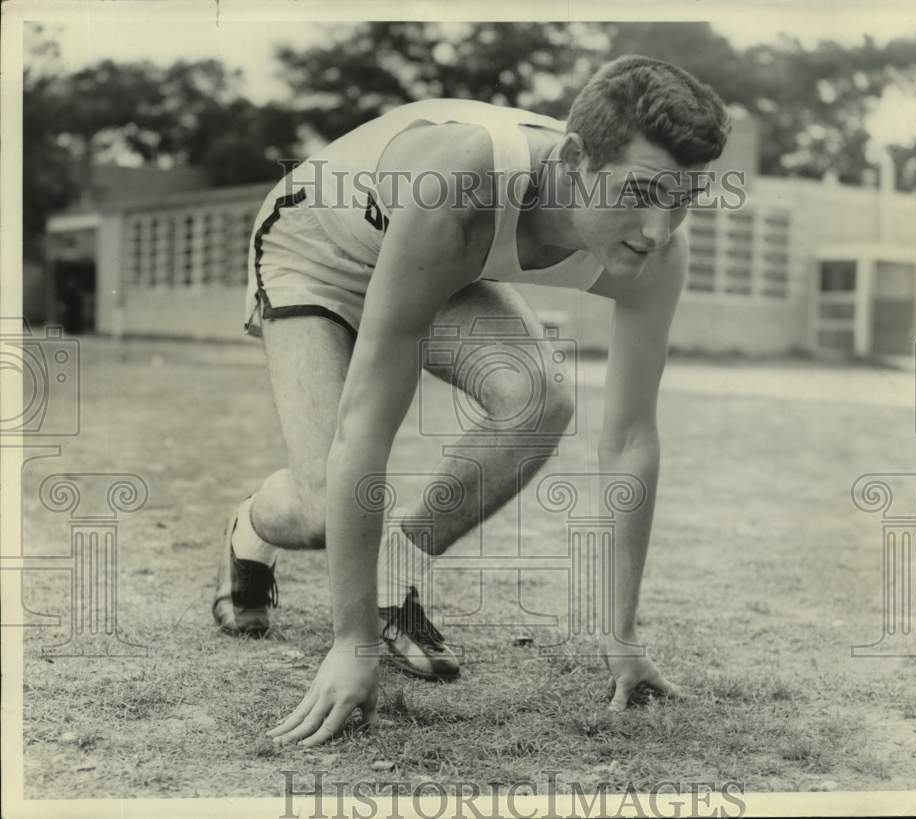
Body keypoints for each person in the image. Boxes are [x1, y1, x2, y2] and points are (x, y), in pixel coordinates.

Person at [211, 54, 730, 746]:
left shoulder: (657, 249)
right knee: (321, 506)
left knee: (539, 400)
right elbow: (367, 422)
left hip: (431, 255)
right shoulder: (457, 189)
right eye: (638, 192)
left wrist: (621, 632)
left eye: (682, 198)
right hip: (317, 249)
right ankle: (250, 530)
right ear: (574, 159)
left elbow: (631, 437)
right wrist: (351, 642)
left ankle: (395, 578)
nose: (657, 229)